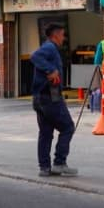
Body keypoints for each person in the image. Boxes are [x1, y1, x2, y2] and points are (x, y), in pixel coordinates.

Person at [30, 22, 77, 177]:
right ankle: (59, 162)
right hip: (50, 97)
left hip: (40, 97)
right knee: (68, 127)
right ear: (56, 35)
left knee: (45, 132)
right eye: (62, 35)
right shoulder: (50, 47)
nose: (63, 38)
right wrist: (51, 70)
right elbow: (35, 56)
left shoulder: (51, 48)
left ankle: (44, 167)